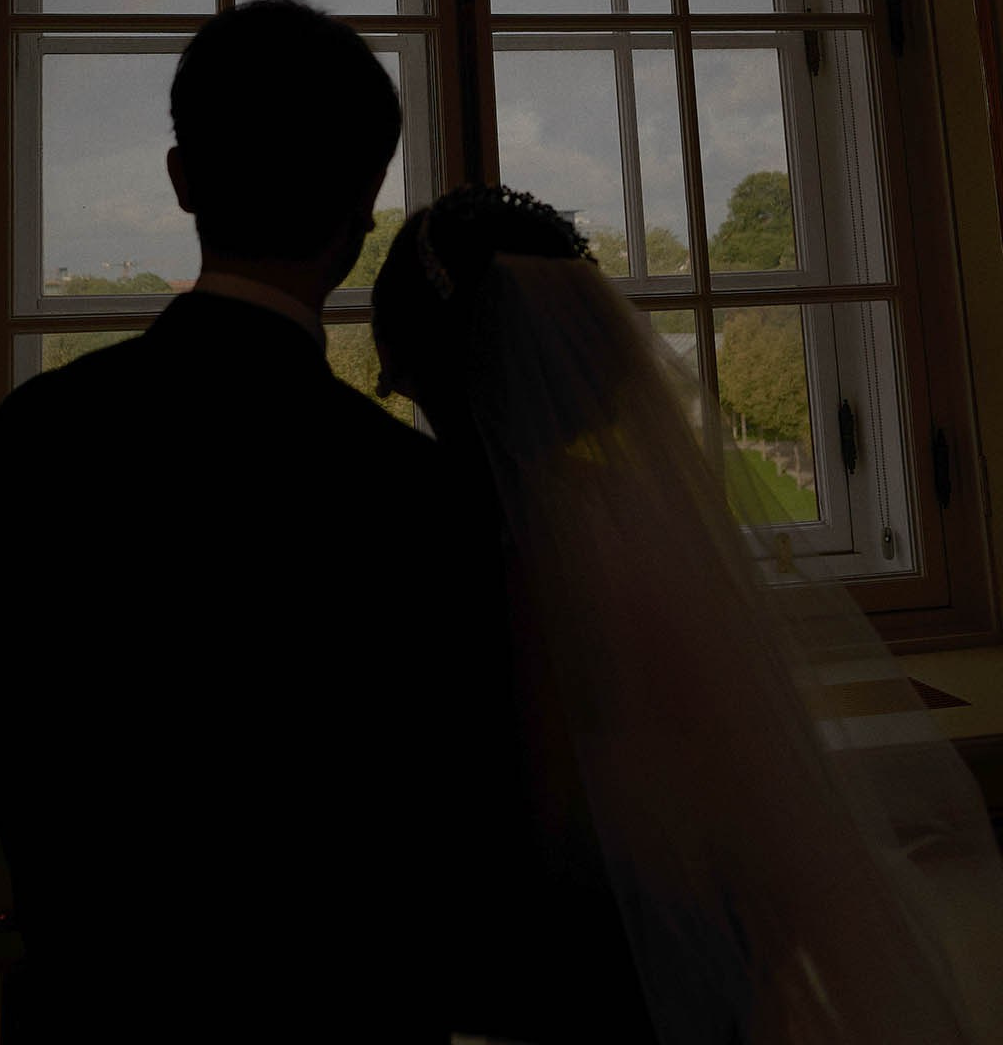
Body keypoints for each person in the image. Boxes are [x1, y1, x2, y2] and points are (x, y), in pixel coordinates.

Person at [0, 0, 610, 1041]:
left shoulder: (36, 436)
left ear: (181, 180)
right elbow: (460, 856)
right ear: (362, 218)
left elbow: (28, 781)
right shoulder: (420, 497)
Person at [372, 184, 1003, 1045]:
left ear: (412, 358)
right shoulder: (634, 539)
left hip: (538, 979)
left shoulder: (422, 542)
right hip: (695, 949)